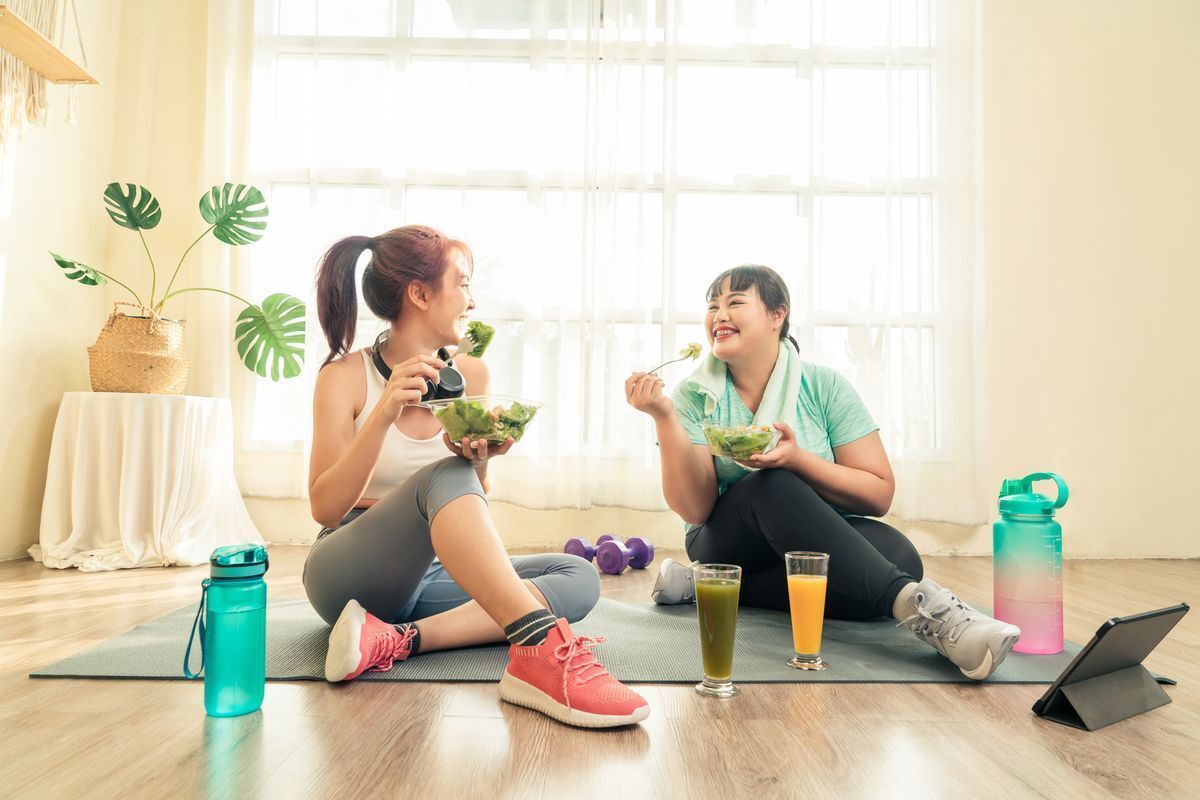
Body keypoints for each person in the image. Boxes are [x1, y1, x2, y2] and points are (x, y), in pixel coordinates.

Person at [304, 224, 648, 726]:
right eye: (462, 283)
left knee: (577, 577)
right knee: (443, 476)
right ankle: (539, 653)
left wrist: (480, 457)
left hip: (430, 576)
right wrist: (381, 413)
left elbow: (471, 492)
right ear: (419, 294)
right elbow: (324, 508)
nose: (472, 299)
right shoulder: (344, 377)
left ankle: (398, 638)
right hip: (347, 570)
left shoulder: (472, 375)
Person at [625, 264, 1020, 680]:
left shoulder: (825, 387)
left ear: (778, 314)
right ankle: (925, 611)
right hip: (726, 539)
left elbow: (878, 495)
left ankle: (711, 586)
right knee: (773, 486)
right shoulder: (694, 394)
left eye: (735, 302)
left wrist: (799, 460)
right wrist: (664, 416)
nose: (719, 315)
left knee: (899, 556)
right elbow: (696, 507)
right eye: (712, 306)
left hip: (811, 537)